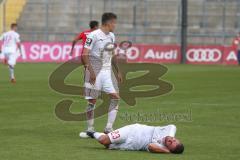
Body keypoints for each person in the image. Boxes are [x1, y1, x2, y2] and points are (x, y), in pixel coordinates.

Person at [80, 12, 122, 138]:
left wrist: (118, 70)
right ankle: (90, 129)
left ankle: (108, 128)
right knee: (92, 101)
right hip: (94, 71)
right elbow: (84, 54)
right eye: (114, 23)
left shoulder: (112, 36)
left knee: (115, 97)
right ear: (108, 23)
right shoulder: (93, 35)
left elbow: (112, 53)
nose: (115, 25)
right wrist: (90, 71)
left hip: (106, 72)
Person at [87, 123, 184, 154]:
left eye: (170, 143)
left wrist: (167, 151)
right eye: (174, 140)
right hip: (132, 130)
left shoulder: (159, 147)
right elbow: (173, 126)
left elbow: (151, 146)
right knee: (103, 140)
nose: (171, 140)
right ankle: (93, 133)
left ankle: (95, 134)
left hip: (130, 145)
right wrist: (169, 149)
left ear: (167, 148)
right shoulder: (171, 129)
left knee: (107, 145)